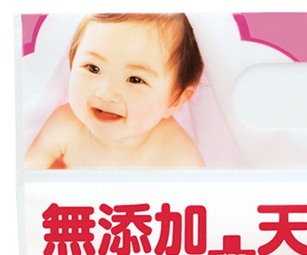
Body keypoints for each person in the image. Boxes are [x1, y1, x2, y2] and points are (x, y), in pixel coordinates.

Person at [25, 13, 205, 169]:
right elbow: (24, 178)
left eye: (135, 79)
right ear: (71, 63)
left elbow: (200, 197)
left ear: (176, 99)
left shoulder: (179, 157)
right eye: (93, 68)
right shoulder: (65, 127)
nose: (106, 93)